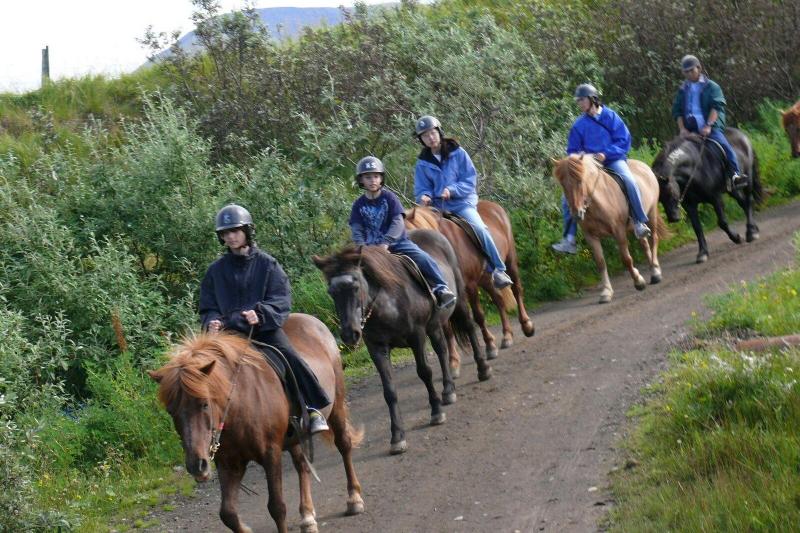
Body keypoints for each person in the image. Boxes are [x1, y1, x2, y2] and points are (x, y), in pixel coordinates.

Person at [199, 204, 330, 434]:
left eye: (235, 231)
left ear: (247, 231)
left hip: (263, 330)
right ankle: (212, 426)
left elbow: (281, 299)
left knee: (289, 356)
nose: (231, 236)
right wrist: (212, 321)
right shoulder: (214, 271)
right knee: (201, 370)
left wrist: (260, 314)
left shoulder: (268, 264)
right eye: (226, 233)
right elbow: (207, 306)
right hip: (229, 336)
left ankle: (312, 407)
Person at [413, 116, 513, 289]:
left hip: (461, 203)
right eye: (425, 135)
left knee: (479, 228)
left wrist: (451, 190)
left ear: (439, 132)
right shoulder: (422, 163)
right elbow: (422, 187)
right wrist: (424, 196)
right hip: (437, 209)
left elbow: (469, 180)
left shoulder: (458, 153)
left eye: (432, 133)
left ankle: (498, 268)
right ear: (421, 139)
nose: (430, 137)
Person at [552, 84, 652, 254]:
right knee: (565, 198)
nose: (580, 104)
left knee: (628, 179)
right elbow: (572, 151)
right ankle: (569, 239)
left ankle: (639, 221)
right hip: (590, 166)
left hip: (612, 160)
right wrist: (578, 158)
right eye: (578, 101)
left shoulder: (610, 116)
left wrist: (606, 154)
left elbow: (623, 140)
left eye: (582, 100)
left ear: (592, 99)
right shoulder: (578, 125)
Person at [349, 156, 457, 310]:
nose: (372, 180)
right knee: (348, 273)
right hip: (370, 249)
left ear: (381, 179)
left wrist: (386, 242)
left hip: (397, 243)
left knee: (423, 258)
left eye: (376, 176)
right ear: (361, 180)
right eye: (368, 177)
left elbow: (397, 222)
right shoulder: (358, 205)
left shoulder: (389, 198)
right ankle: (356, 309)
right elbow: (357, 228)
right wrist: (361, 246)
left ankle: (441, 288)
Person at [672, 54, 746, 191]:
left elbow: (716, 107)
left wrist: (708, 126)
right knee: (675, 152)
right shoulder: (682, 90)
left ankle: (735, 175)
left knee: (724, 146)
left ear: (699, 68)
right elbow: (677, 112)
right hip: (690, 130)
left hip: (710, 127)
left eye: (691, 70)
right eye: (686, 72)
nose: (689, 74)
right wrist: (682, 129)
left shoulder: (712, 87)